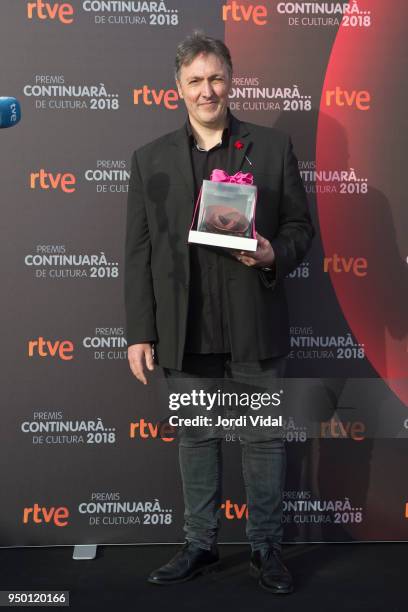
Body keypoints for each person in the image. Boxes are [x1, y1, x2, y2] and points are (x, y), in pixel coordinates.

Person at [124, 32, 314, 594]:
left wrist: (272, 251)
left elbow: (301, 228)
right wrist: (140, 332)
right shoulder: (149, 160)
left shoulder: (272, 148)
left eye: (216, 78)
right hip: (186, 331)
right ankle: (200, 545)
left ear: (230, 81)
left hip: (254, 323)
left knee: (262, 442)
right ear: (178, 89)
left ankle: (266, 548)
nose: (207, 90)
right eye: (195, 81)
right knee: (197, 440)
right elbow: (137, 254)